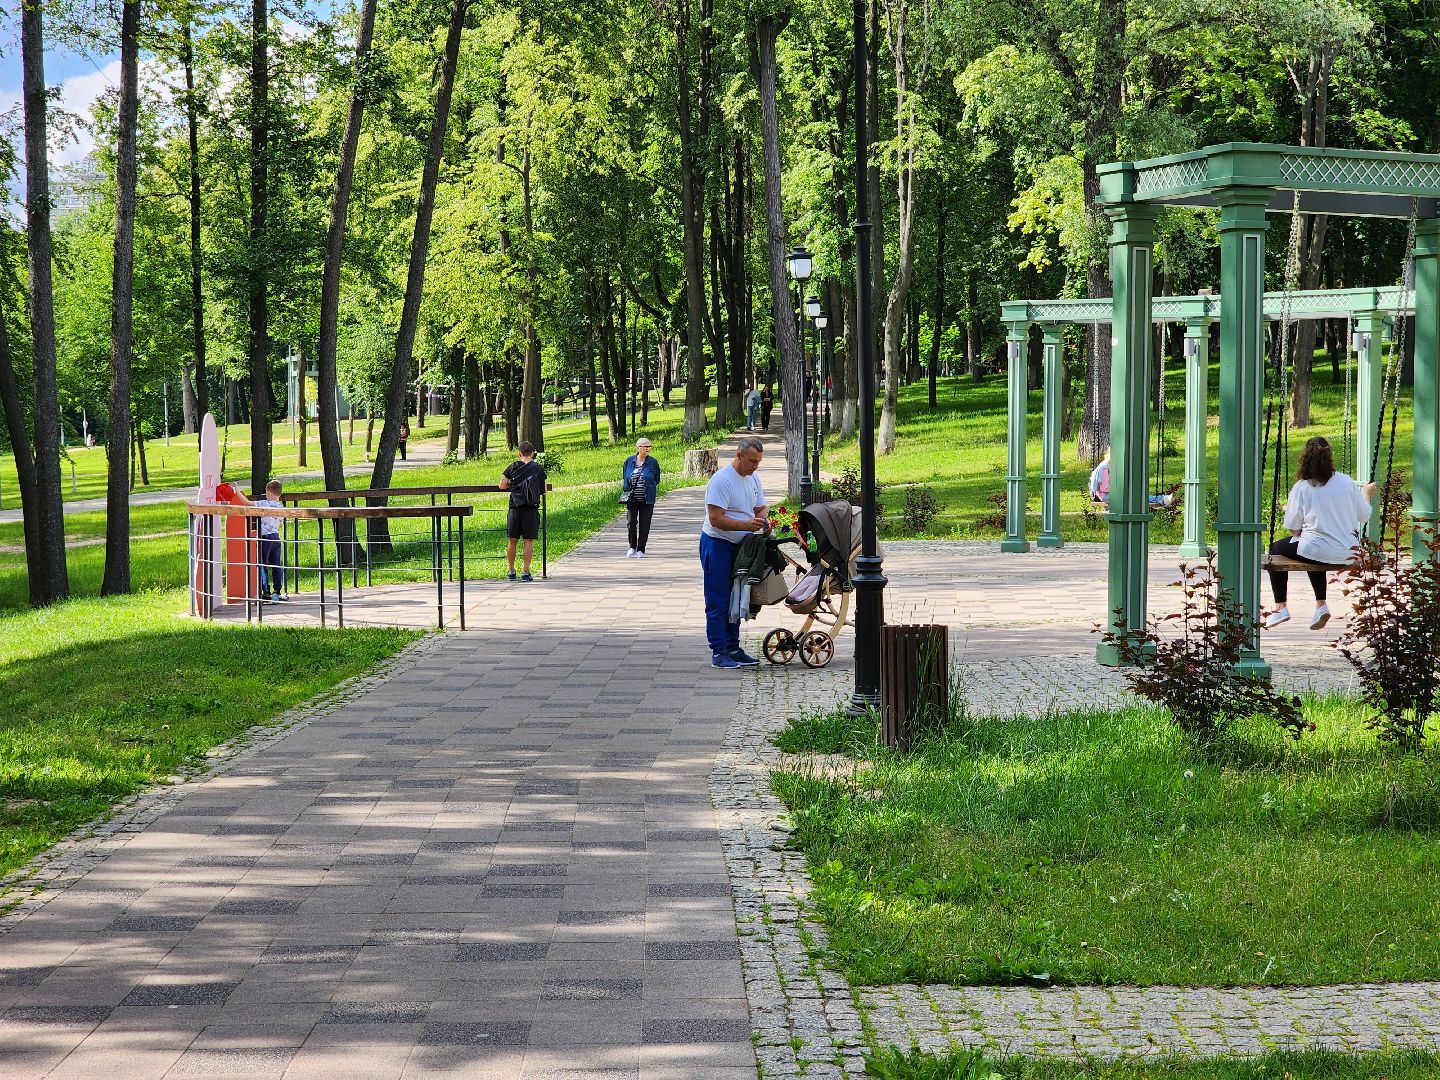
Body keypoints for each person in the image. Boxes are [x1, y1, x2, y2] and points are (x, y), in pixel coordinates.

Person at [1265, 435, 1375, 631]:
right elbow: (1364, 515)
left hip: (1317, 549)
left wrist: (1294, 514)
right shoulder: (1346, 482)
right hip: (1348, 551)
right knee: (1309, 548)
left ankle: (1280, 606)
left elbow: (1294, 528)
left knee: (1278, 548)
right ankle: (1320, 605)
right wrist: (1366, 494)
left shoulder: (1302, 487)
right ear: (1329, 456)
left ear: (1305, 458)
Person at [700, 437, 768, 669]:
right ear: (738, 456)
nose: (755, 466)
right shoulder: (721, 481)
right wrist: (746, 525)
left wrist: (762, 519)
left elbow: (761, 506)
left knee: (738, 595)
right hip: (717, 543)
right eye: (751, 461)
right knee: (718, 598)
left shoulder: (753, 477)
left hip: (742, 545)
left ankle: (733, 647)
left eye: (758, 462)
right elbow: (716, 519)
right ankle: (719, 651)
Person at [500, 441, 546, 582]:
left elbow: (502, 485)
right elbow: (543, 490)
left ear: (519, 453)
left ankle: (511, 571)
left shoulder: (513, 467)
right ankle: (525, 572)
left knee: (512, 540)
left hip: (515, 508)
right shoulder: (538, 468)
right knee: (528, 541)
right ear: (533, 453)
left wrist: (511, 484)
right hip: (531, 509)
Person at [1088, 448, 1176, 510]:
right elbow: (1104, 488)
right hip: (1105, 496)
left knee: (1134, 495)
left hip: (1109, 494)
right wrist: (1120, 489)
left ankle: (1160, 500)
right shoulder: (1105, 468)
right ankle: (1161, 500)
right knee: (1132, 496)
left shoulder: (1109, 466)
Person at [622, 437, 661, 558]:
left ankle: (641, 549)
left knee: (645, 524)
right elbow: (625, 476)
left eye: (650, 446)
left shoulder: (653, 462)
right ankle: (632, 547)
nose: (648, 448)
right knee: (631, 522)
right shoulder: (629, 461)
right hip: (632, 498)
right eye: (646, 446)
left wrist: (649, 486)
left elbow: (656, 479)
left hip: (647, 499)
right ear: (638, 448)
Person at [251, 479, 286, 601]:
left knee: (262, 564)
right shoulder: (281, 507)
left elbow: (247, 503)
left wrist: (237, 490)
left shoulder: (265, 504)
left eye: (266, 492)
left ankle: (266, 591)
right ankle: (277, 590)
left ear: (269, 492)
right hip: (275, 536)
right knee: (276, 564)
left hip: (265, 537)